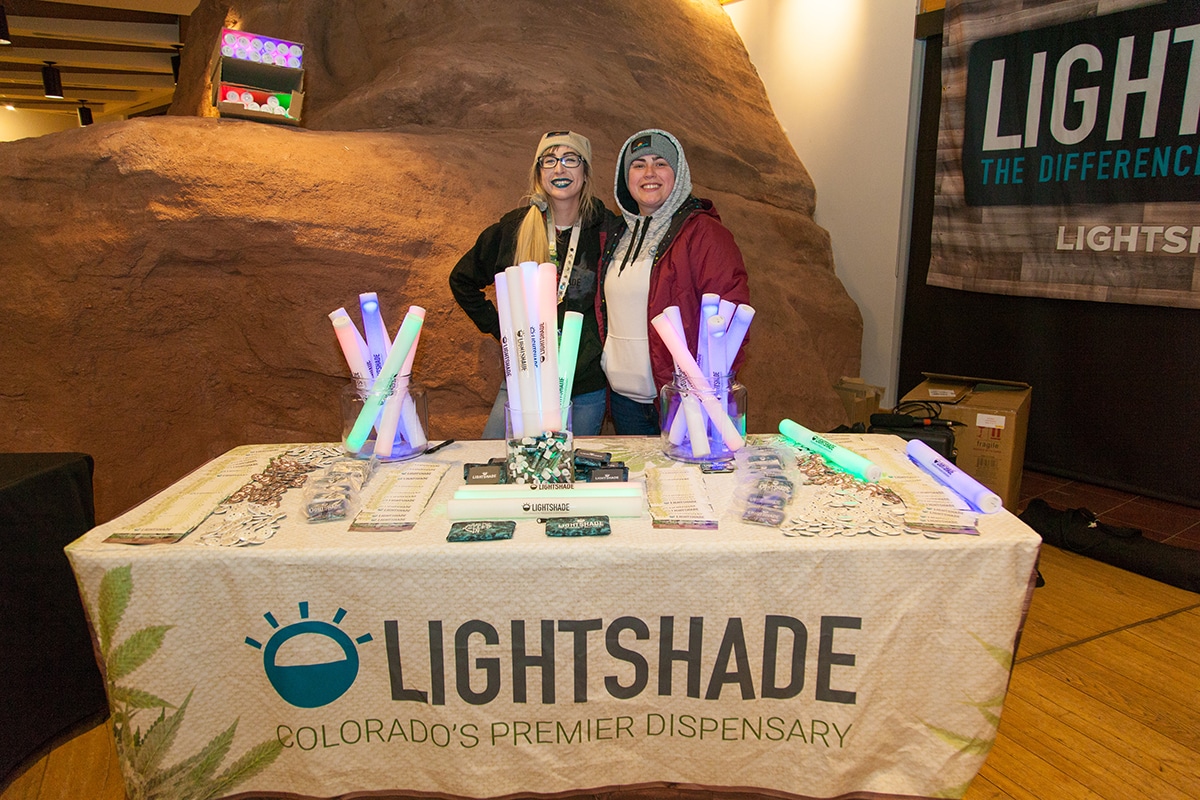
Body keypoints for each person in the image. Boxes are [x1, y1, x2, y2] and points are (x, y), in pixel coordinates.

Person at [449, 131, 613, 438]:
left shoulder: (606, 229)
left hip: (584, 387)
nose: (559, 170)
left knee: (569, 478)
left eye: (570, 160)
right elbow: (462, 280)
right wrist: (503, 329)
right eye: (549, 161)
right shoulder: (515, 227)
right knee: (495, 462)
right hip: (524, 382)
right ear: (539, 172)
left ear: (586, 171)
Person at [597, 128, 750, 435]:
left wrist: (703, 391)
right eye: (638, 165)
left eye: (660, 163)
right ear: (625, 178)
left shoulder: (704, 234)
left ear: (678, 174)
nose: (649, 172)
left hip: (685, 403)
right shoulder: (615, 236)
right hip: (625, 401)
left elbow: (732, 320)